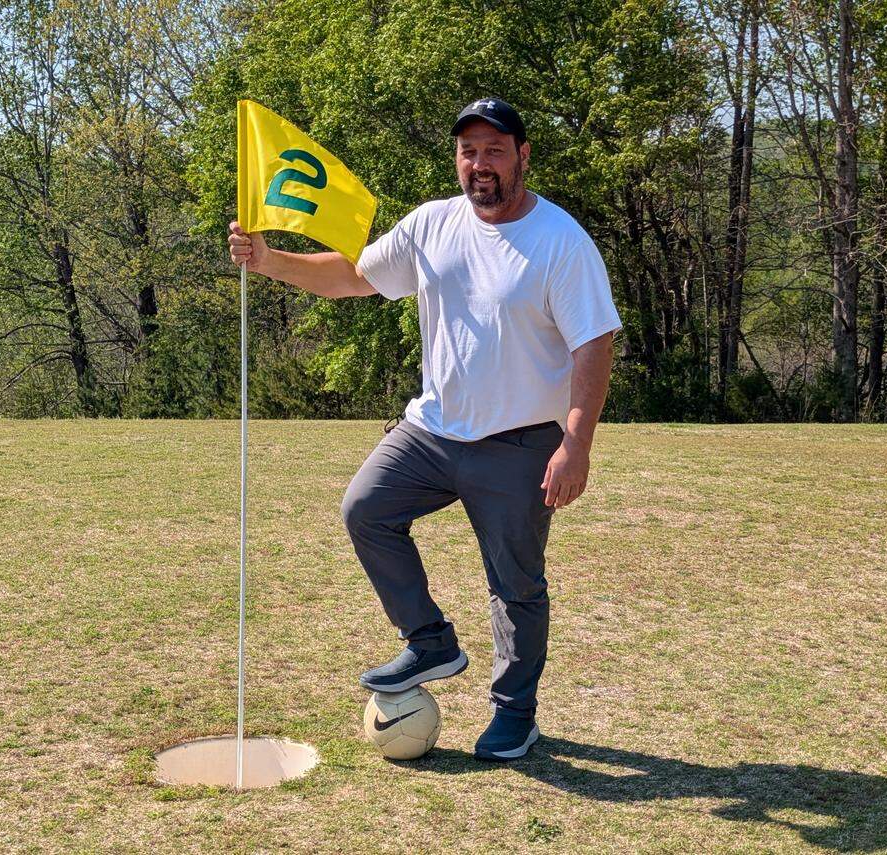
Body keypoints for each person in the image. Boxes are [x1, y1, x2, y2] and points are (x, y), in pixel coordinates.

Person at [228, 97, 621, 761]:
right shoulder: (433, 224)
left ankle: (513, 713)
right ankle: (430, 638)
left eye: (495, 150)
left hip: (520, 443)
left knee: (515, 585)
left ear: (523, 156)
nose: (480, 164)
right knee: (366, 509)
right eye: (469, 151)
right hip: (433, 432)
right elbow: (357, 275)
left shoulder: (560, 241)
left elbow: (594, 342)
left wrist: (575, 443)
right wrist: (271, 261)